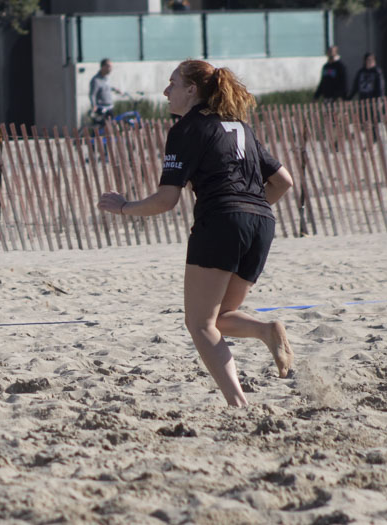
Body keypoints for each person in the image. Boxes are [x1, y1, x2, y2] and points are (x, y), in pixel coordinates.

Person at [96, 59, 295, 407]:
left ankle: (237, 404)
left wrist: (124, 206)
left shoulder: (186, 129)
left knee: (199, 324)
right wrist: (246, 210)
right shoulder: (240, 126)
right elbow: (284, 182)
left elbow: (166, 200)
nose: (165, 91)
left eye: (172, 83)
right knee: (219, 318)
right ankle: (266, 331)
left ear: (191, 90)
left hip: (220, 221)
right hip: (262, 223)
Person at [89, 59, 124, 125]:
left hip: (109, 107)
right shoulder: (96, 80)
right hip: (102, 108)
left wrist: (115, 89)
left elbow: (106, 87)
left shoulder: (106, 78)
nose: (110, 69)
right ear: (103, 67)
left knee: (112, 125)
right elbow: (92, 94)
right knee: (103, 126)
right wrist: (94, 106)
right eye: (109, 66)